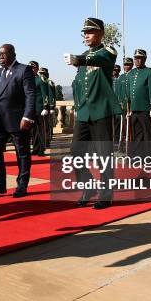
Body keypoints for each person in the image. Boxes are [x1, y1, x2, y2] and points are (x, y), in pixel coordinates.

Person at [64, 17, 121, 209]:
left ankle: (106, 195)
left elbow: (100, 59)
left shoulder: (108, 52)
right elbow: (79, 85)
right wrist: (78, 106)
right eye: (84, 32)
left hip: (101, 112)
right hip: (84, 113)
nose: (86, 35)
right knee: (75, 153)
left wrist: (79, 60)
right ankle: (88, 186)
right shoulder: (83, 56)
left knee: (104, 155)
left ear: (101, 33)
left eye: (90, 31)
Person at [0, 44, 35, 198]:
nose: (1, 57)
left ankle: (22, 185)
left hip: (17, 120)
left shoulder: (23, 70)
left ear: (13, 54)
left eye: (4, 54)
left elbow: (30, 95)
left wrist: (27, 116)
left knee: (22, 153)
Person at [126, 49, 151, 157]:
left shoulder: (149, 72)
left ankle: (148, 156)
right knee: (136, 133)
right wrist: (129, 109)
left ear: (144, 59)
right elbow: (129, 93)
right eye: (135, 58)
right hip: (134, 109)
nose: (137, 60)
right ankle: (137, 155)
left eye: (139, 58)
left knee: (147, 133)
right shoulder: (131, 73)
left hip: (145, 108)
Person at [29, 61, 48, 156]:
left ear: (36, 68)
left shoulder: (41, 79)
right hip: (31, 109)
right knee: (33, 130)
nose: (31, 69)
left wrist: (45, 107)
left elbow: (45, 94)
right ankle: (35, 148)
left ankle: (41, 149)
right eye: (30, 68)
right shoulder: (28, 79)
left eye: (33, 67)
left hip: (40, 108)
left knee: (41, 130)